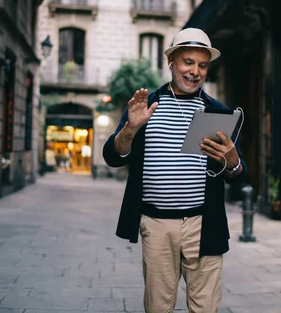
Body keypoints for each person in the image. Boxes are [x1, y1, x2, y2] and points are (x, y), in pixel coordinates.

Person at [103, 28, 246, 313]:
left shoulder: (216, 112)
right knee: (159, 307)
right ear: (171, 62)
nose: (195, 71)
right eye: (188, 62)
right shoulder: (146, 108)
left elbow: (237, 174)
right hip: (156, 224)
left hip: (204, 224)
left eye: (202, 65)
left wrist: (233, 160)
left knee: (206, 307)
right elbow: (113, 156)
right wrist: (130, 129)